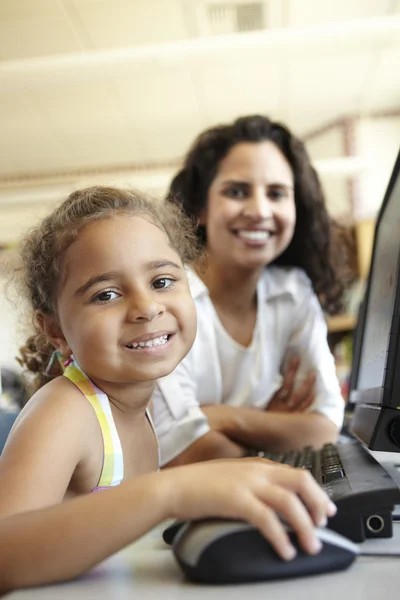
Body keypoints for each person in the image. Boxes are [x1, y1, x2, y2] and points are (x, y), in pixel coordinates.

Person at [0, 186, 336, 591]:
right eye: (106, 294)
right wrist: (168, 492)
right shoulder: (65, 411)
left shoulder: (141, 406)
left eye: (162, 281)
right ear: (56, 331)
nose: (146, 307)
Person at [151, 115, 346, 467]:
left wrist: (225, 418)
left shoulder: (294, 292)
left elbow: (326, 426)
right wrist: (273, 427)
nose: (259, 211)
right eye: (237, 191)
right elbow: (182, 449)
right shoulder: (165, 300)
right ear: (199, 209)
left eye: (276, 194)